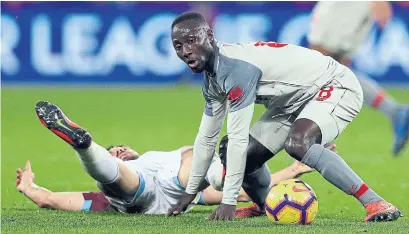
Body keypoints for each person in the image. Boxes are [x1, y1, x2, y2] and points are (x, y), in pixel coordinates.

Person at [167, 12, 401, 222]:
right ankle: (263, 205)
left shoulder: (235, 69)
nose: (186, 51)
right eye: (178, 46)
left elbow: (239, 136)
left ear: (210, 35)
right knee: (232, 152)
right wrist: (191, 191)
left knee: (298, 142)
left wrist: (228, 200)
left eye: (191, 41)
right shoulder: (213, 79)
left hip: (334, 85)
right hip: (291, 101)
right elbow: (206, 138)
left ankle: (376, 202)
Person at [28, 100, 314, 214]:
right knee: (111, 178)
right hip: (144, 193)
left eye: (122, 148)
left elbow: (239, 193)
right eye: (116, 151)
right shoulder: (106, 194)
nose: (121, 150)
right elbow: (50, 200)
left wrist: (291, 171)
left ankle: (220, 168)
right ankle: (85, 144)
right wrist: (31, 189)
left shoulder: (152, 157)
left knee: (195, 158)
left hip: (179, 186)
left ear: (132, 149)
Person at [308, 1, 409, 156]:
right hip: (350, 6)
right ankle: (395, 112)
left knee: (322, 62)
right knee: (334, 68)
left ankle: (316, 136)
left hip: (348, 5)